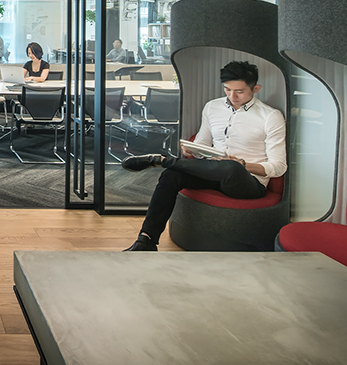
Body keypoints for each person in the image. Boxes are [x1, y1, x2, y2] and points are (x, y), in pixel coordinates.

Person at [120, 61, 286, 251]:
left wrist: (242, 164)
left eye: (239, 91)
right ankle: (146, 240)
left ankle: (164, 160)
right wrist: (191, 150)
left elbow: (278, 166)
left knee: (231, 167)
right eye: (227, 89)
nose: (232, 96)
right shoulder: (212, 107)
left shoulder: (271, 116)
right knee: (170, 175)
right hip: (213, 172)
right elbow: (202, 144)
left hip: (248, 182)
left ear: (256, 88)